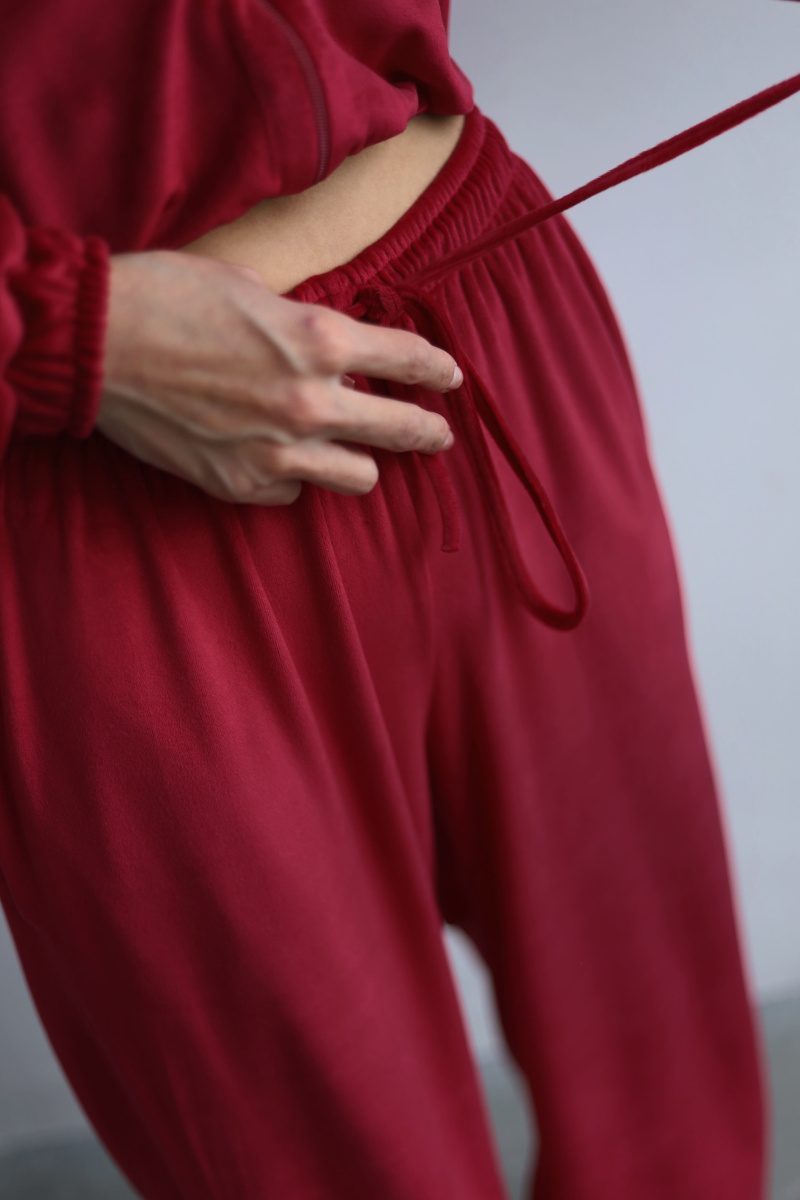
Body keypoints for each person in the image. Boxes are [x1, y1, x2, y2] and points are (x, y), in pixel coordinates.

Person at [0, 2, 766, 1198]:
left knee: (664, 1103)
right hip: (101, 461)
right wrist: (57, 334)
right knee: (314, 1159)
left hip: (488, 316)